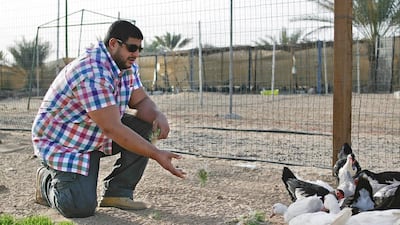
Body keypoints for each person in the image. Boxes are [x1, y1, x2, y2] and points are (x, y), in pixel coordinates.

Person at [32, 20, 186, 218]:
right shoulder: (92, 72)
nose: (136, 54)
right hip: (64, 143)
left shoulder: (126, 66)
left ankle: (118, 193)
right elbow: (112, 128)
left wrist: (157, 114)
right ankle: (45, 180)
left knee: (147, 126)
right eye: (132, 48)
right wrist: (156, 153)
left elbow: (140, 100)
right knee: (79, 207)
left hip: (92, 134)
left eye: (140, 49)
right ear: (113, 44)